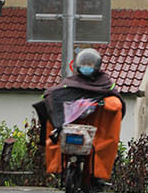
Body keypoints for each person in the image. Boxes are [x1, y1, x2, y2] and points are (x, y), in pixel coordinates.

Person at [34, 48, 125, 181]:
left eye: (90, 64)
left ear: (96, 66)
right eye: (84, 64)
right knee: (49, 111)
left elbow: (115, 101)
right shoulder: (71, 82)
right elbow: (59, 94)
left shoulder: (105, 83)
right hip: (74, 125)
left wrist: (102, 105)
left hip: (96, 125)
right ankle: (58, 166)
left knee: (113, 110)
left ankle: (98, 173)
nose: (86, 67)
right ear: (77, 65)